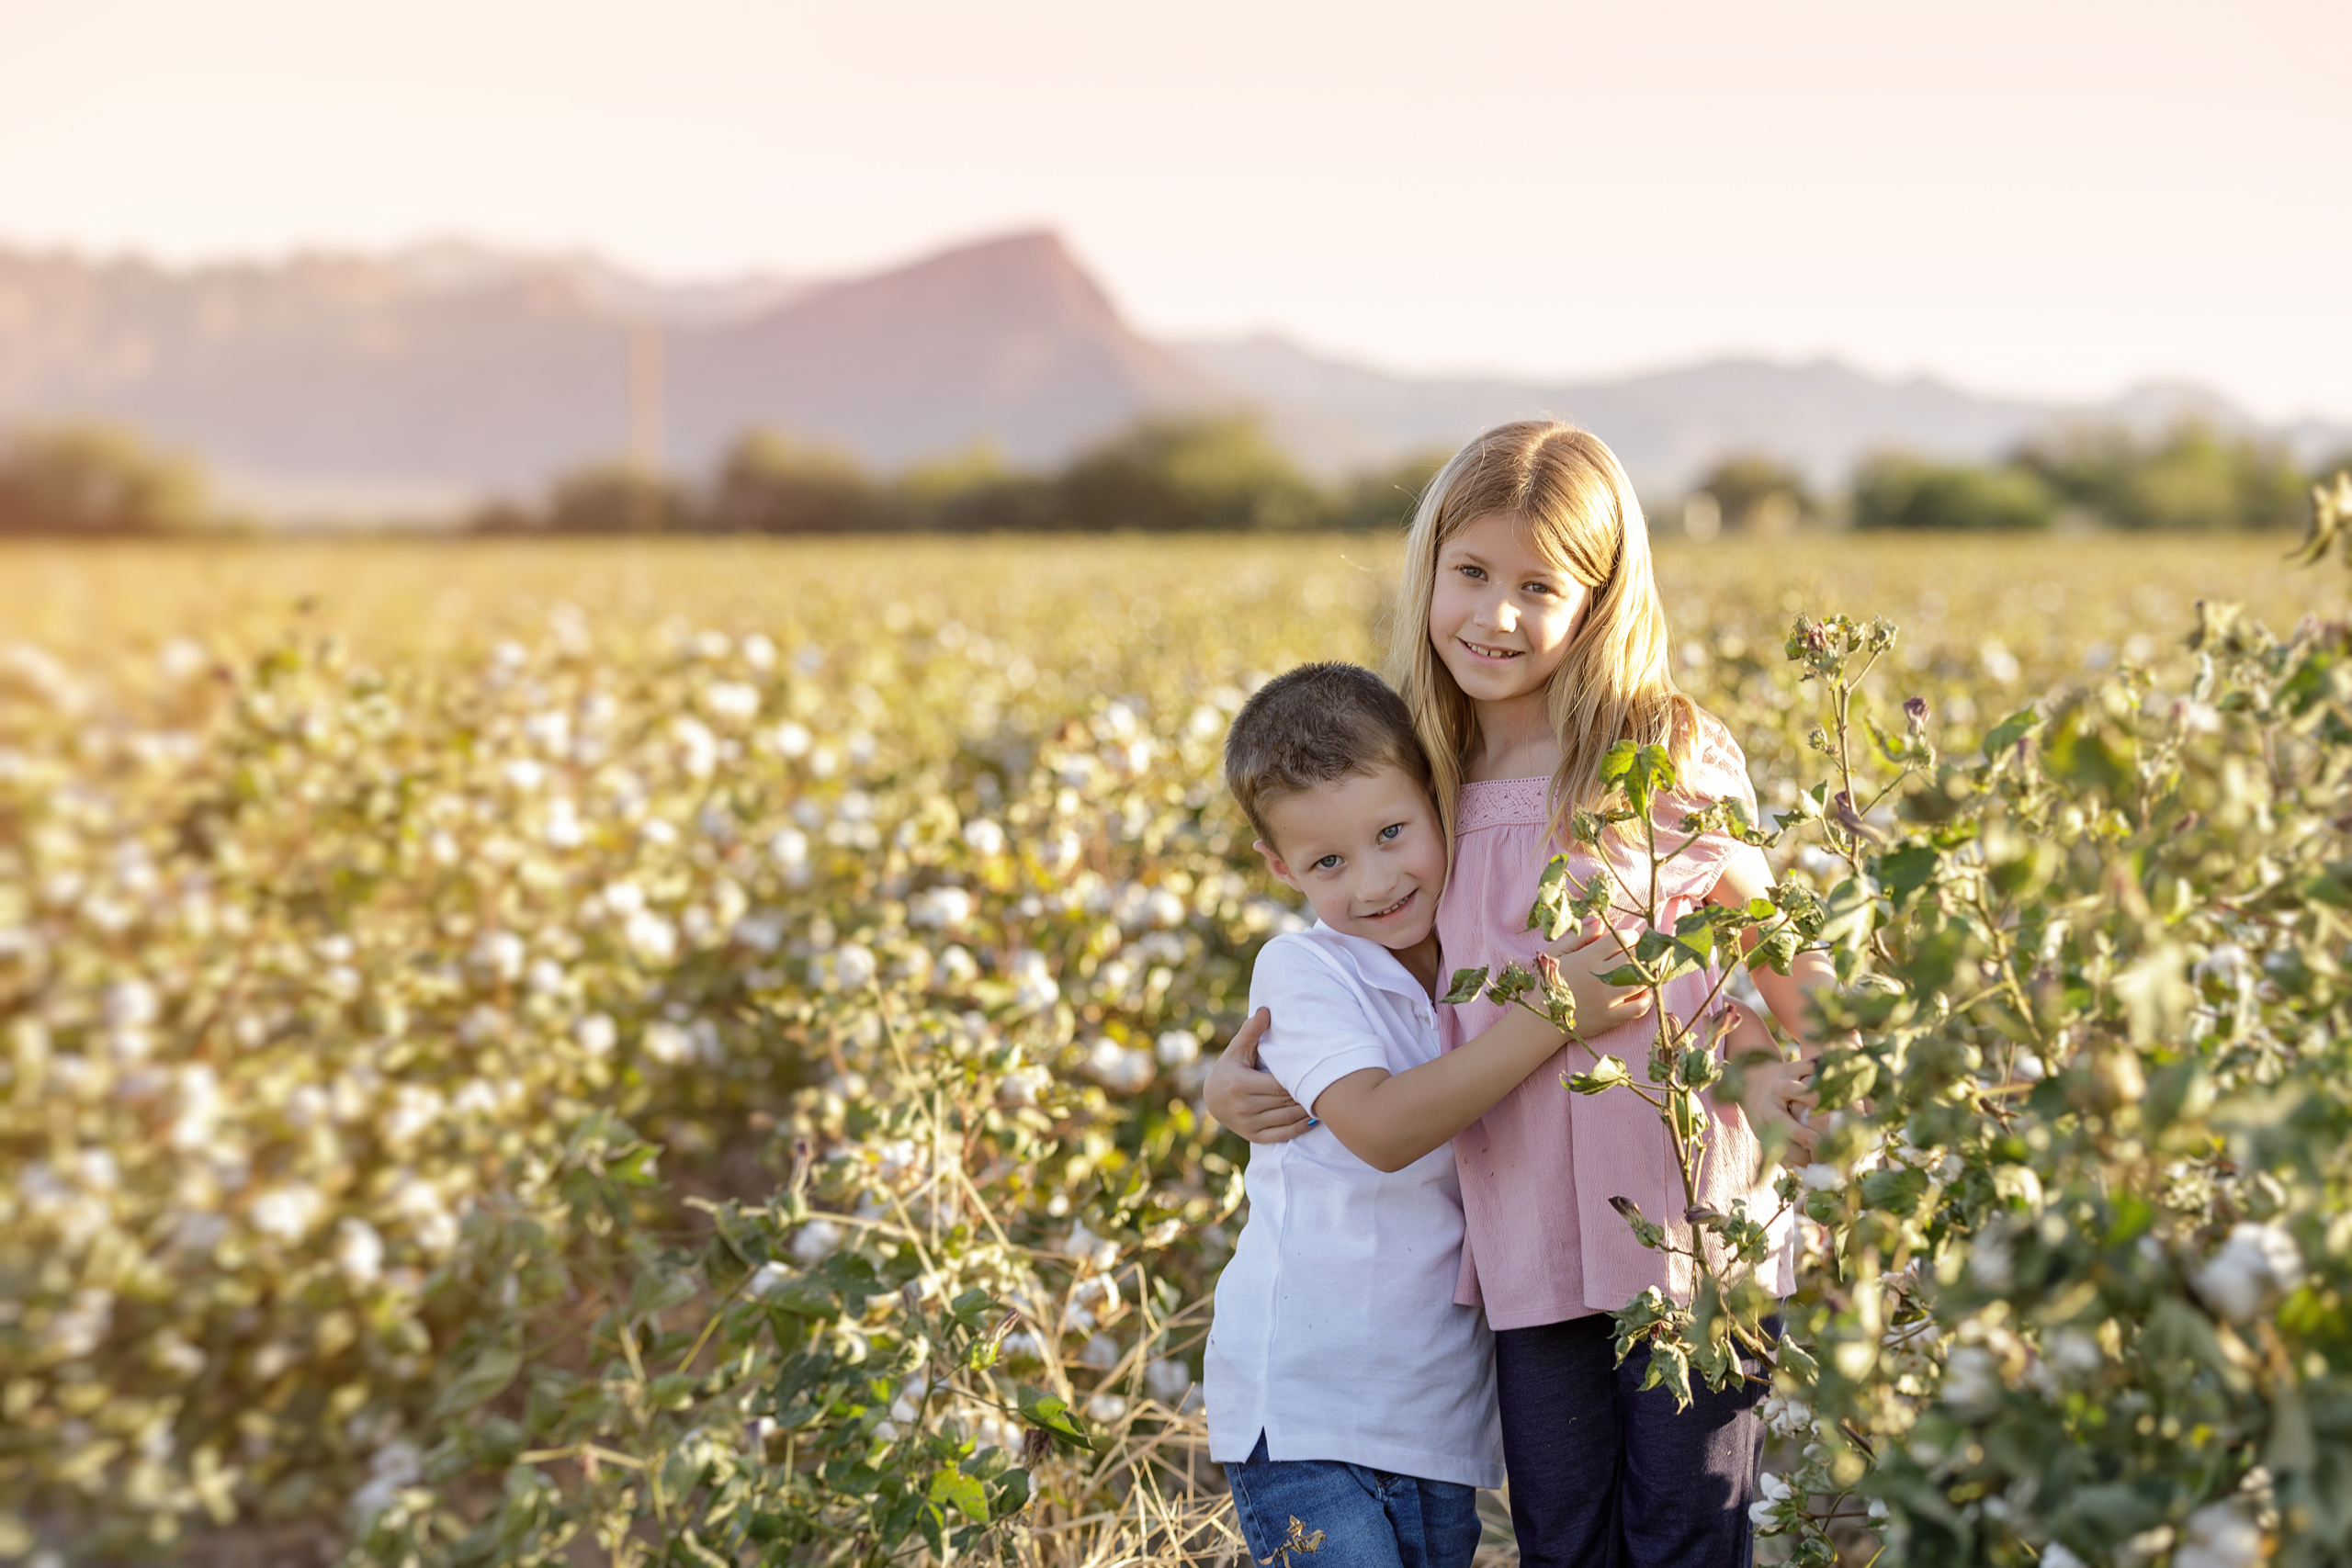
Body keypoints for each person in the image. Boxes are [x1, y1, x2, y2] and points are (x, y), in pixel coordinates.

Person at [1207, 422, 1836, 1568]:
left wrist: (1833, 1066)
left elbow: (1769, 940)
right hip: (1522, 1235)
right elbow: (1366, 964)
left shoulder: (1660, 746)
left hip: (1688, 1222)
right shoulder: (1428, 763)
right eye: (1473, 575)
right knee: (1562, 1536)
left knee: (1688, 1529)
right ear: (1429, 569)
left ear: (1599, 598)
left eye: (1539, 586)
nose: (1495, 616)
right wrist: (1227, 1081)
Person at [1204, 660, 1646, 1568]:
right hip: (1304, 1411)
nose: (1373, 882)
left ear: (1441, 800)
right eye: (1327, 862)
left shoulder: (1477, 957)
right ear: (1278, 867)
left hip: (1437, 1427)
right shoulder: (1304, 970)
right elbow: (1381, 1128)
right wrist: (1553, 1013)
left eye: (1392, 832)